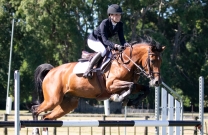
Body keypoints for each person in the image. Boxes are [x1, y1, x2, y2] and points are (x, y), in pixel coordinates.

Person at [83, 4, 129, 78]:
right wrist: (115, 45)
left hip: (102, 42)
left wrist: (126, 44)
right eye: (116, 15)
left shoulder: (120, 25)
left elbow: (122, 39)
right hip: (93, 40)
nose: (118, 17)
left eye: (120, 15)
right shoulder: (105, 23)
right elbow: (105, 40)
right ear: (110, 15)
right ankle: (88, 70)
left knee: (112, 53)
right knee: (103, 51)